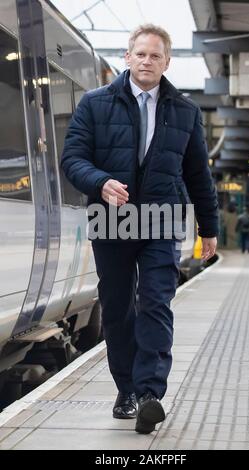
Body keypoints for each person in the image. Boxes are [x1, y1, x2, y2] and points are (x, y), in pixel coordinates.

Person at [61, 24, 218, 434]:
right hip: (111, 217)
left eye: (156, 56)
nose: (147, 61)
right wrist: (100, 181)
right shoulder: (95, 104)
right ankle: (126, 389)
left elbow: (199, 175)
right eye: (141, 54)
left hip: (162, 219)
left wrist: (210, 227)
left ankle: (149, 393)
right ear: (127, 58)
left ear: (166, 62)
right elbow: (72, 158)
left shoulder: (185, 111)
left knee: (155, 303)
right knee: (117, 307)